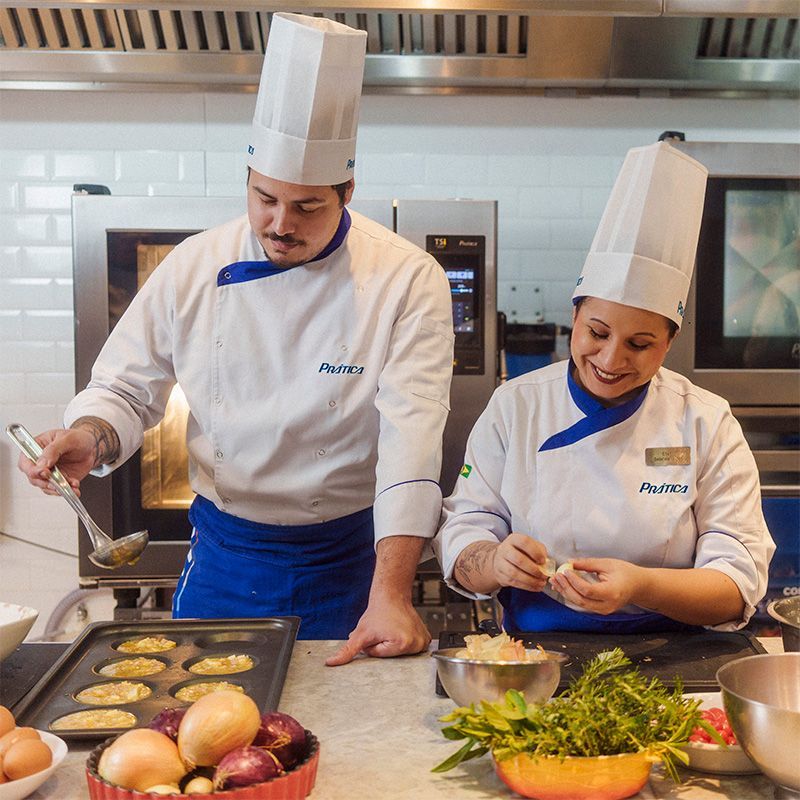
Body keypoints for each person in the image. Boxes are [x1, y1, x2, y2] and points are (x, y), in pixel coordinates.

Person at [16, 13, 454, 663]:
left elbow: (411, 444)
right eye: (265, 199)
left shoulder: (405, 279)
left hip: (353, 557)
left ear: (347, 191)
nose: (280, 224)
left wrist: (391, 591)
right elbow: (125, 389)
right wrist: (88, 437)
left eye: (307, 206)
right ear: (248, 179)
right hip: (228, 556)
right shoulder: (196, 265)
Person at [433, 141, 775, 634]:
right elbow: (464, 533)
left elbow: (738, 583)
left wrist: (640, 586)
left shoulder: (706, 420)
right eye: (596, 332)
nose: (611, 361)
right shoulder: (517, 406)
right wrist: (494, 562)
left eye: (640, 344)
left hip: (675, 659)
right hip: (534, 656)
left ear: (670, 341)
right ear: (574, 315)